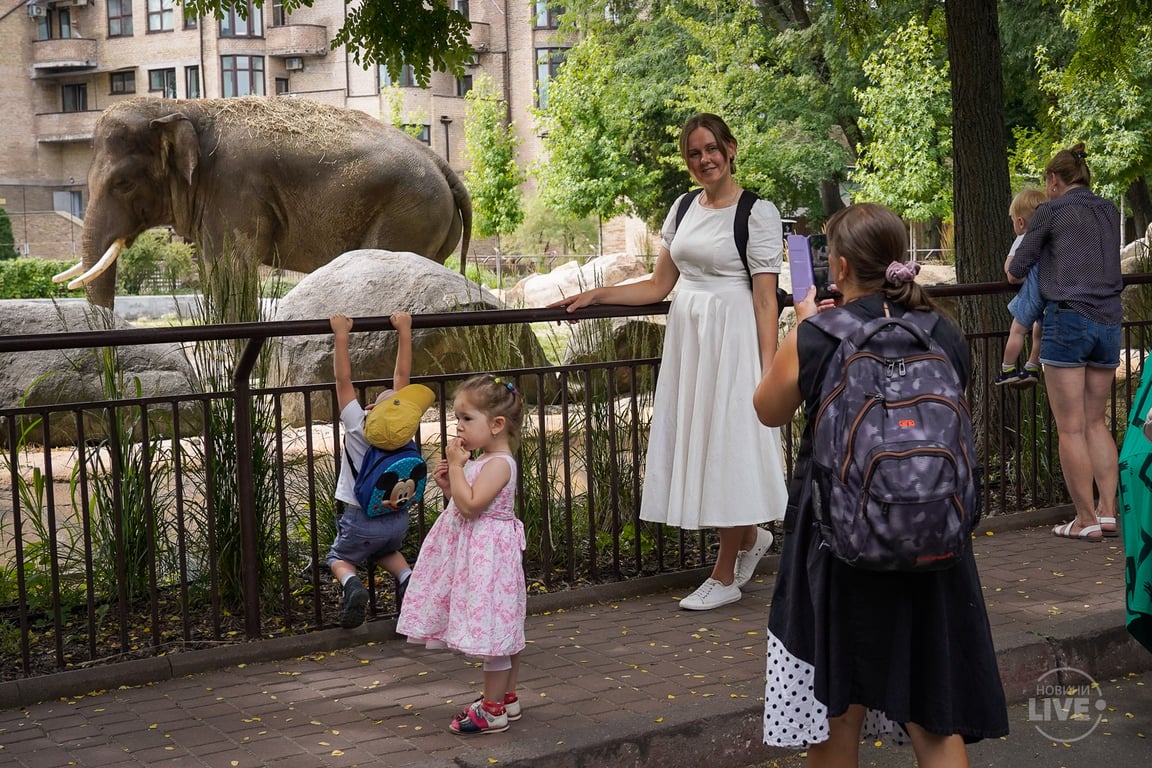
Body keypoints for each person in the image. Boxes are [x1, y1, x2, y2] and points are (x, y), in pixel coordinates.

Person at [753, 204, 1008, 765]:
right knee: (933, 719)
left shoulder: (818, 333)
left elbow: (768, 408)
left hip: (837, 545)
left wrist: (798, 322)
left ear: (838, 266)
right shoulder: (941, 329)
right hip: (932, 541)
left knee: (836, 713)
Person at [552, 113, 788, 611]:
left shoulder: (757, 212)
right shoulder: (682, 209)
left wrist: (767, 370)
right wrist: (597, 295)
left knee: (729, 444)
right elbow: (659, 286)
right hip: (691, 338)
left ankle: (725, 575)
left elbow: (766, 300)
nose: (704, 159)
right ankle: (748, 540)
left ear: (731, 147)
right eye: (694, 153)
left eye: (711, 149)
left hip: (735, 340)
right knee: (706, 441)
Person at [396, 375, 527, 735]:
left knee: (495, 631)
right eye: (458, 418)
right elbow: (465, 503)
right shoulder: (484, 459)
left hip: (490, 559)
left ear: (497, 424)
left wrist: (456, 467)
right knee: (502, 629)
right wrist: (449, 484)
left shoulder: (499, 463)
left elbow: (471, 508)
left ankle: (491, 710)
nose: (459, 426)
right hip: (479, 553)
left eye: (467, 418)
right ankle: (506, 698)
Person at [1007, 143, 1123, 542]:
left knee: (1070, 428)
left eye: (1047, 183)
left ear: (1053, 180)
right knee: (1095, 422)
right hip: (1110, 320)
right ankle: (1108, 513)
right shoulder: (1108, 209)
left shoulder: (1051, 211)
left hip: (1068, 321)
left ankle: (1084, 519)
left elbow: (1017, 269)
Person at [328, 312, 435, 628]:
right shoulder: (405, 432)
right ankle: (407, 578)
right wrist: (405, 330)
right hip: (396, 519)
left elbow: (342, 380)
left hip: (361, 515)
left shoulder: (357, 424)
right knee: (387, 550)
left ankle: (352, 585)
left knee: (339, 558)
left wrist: (341, 334)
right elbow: (402, 375)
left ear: (373, 410)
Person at [994, 186, 1048, 388]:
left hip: (1032, 290)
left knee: (1017, 329)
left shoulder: (1023, 239)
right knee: (1039, 330)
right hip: (1050, 291)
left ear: (1020, 222)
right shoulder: (1048, 236)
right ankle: (1032, 365)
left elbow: (1011, 271)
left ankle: (1007, 368)